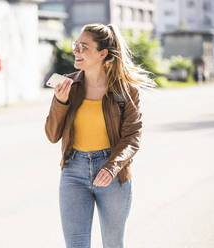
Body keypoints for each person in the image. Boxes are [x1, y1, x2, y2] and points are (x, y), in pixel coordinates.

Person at [44, 23, 157, 248]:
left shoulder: (125, 90)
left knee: (113, 244)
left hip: (112, 173)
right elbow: (52, 135)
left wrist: (111, 166)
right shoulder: (67, 85)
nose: (76, 50)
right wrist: (61, 102)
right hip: (73, 172)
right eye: (76, 45)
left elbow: (132, 137)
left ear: (102, 53)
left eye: (83, 47)